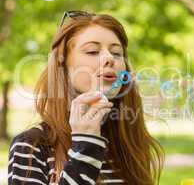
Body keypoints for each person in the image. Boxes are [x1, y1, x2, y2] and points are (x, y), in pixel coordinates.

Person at [8, 11, 164, 185]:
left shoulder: (129, 144)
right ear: (63, 66)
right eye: (92, 51)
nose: (109, 58)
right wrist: (86, 147)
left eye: (117, 53)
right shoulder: (32, 145)